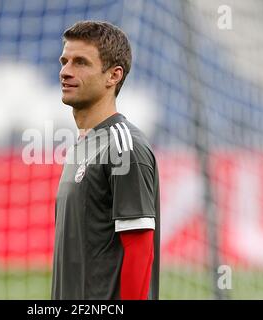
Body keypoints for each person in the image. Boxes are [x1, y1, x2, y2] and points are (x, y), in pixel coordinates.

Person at [51, 20, 160, 300]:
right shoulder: (82, 146)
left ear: (113, 75)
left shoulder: (125, 146)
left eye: (80, 63)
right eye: (64, 61)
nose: (65, 71)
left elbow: (139, 249)